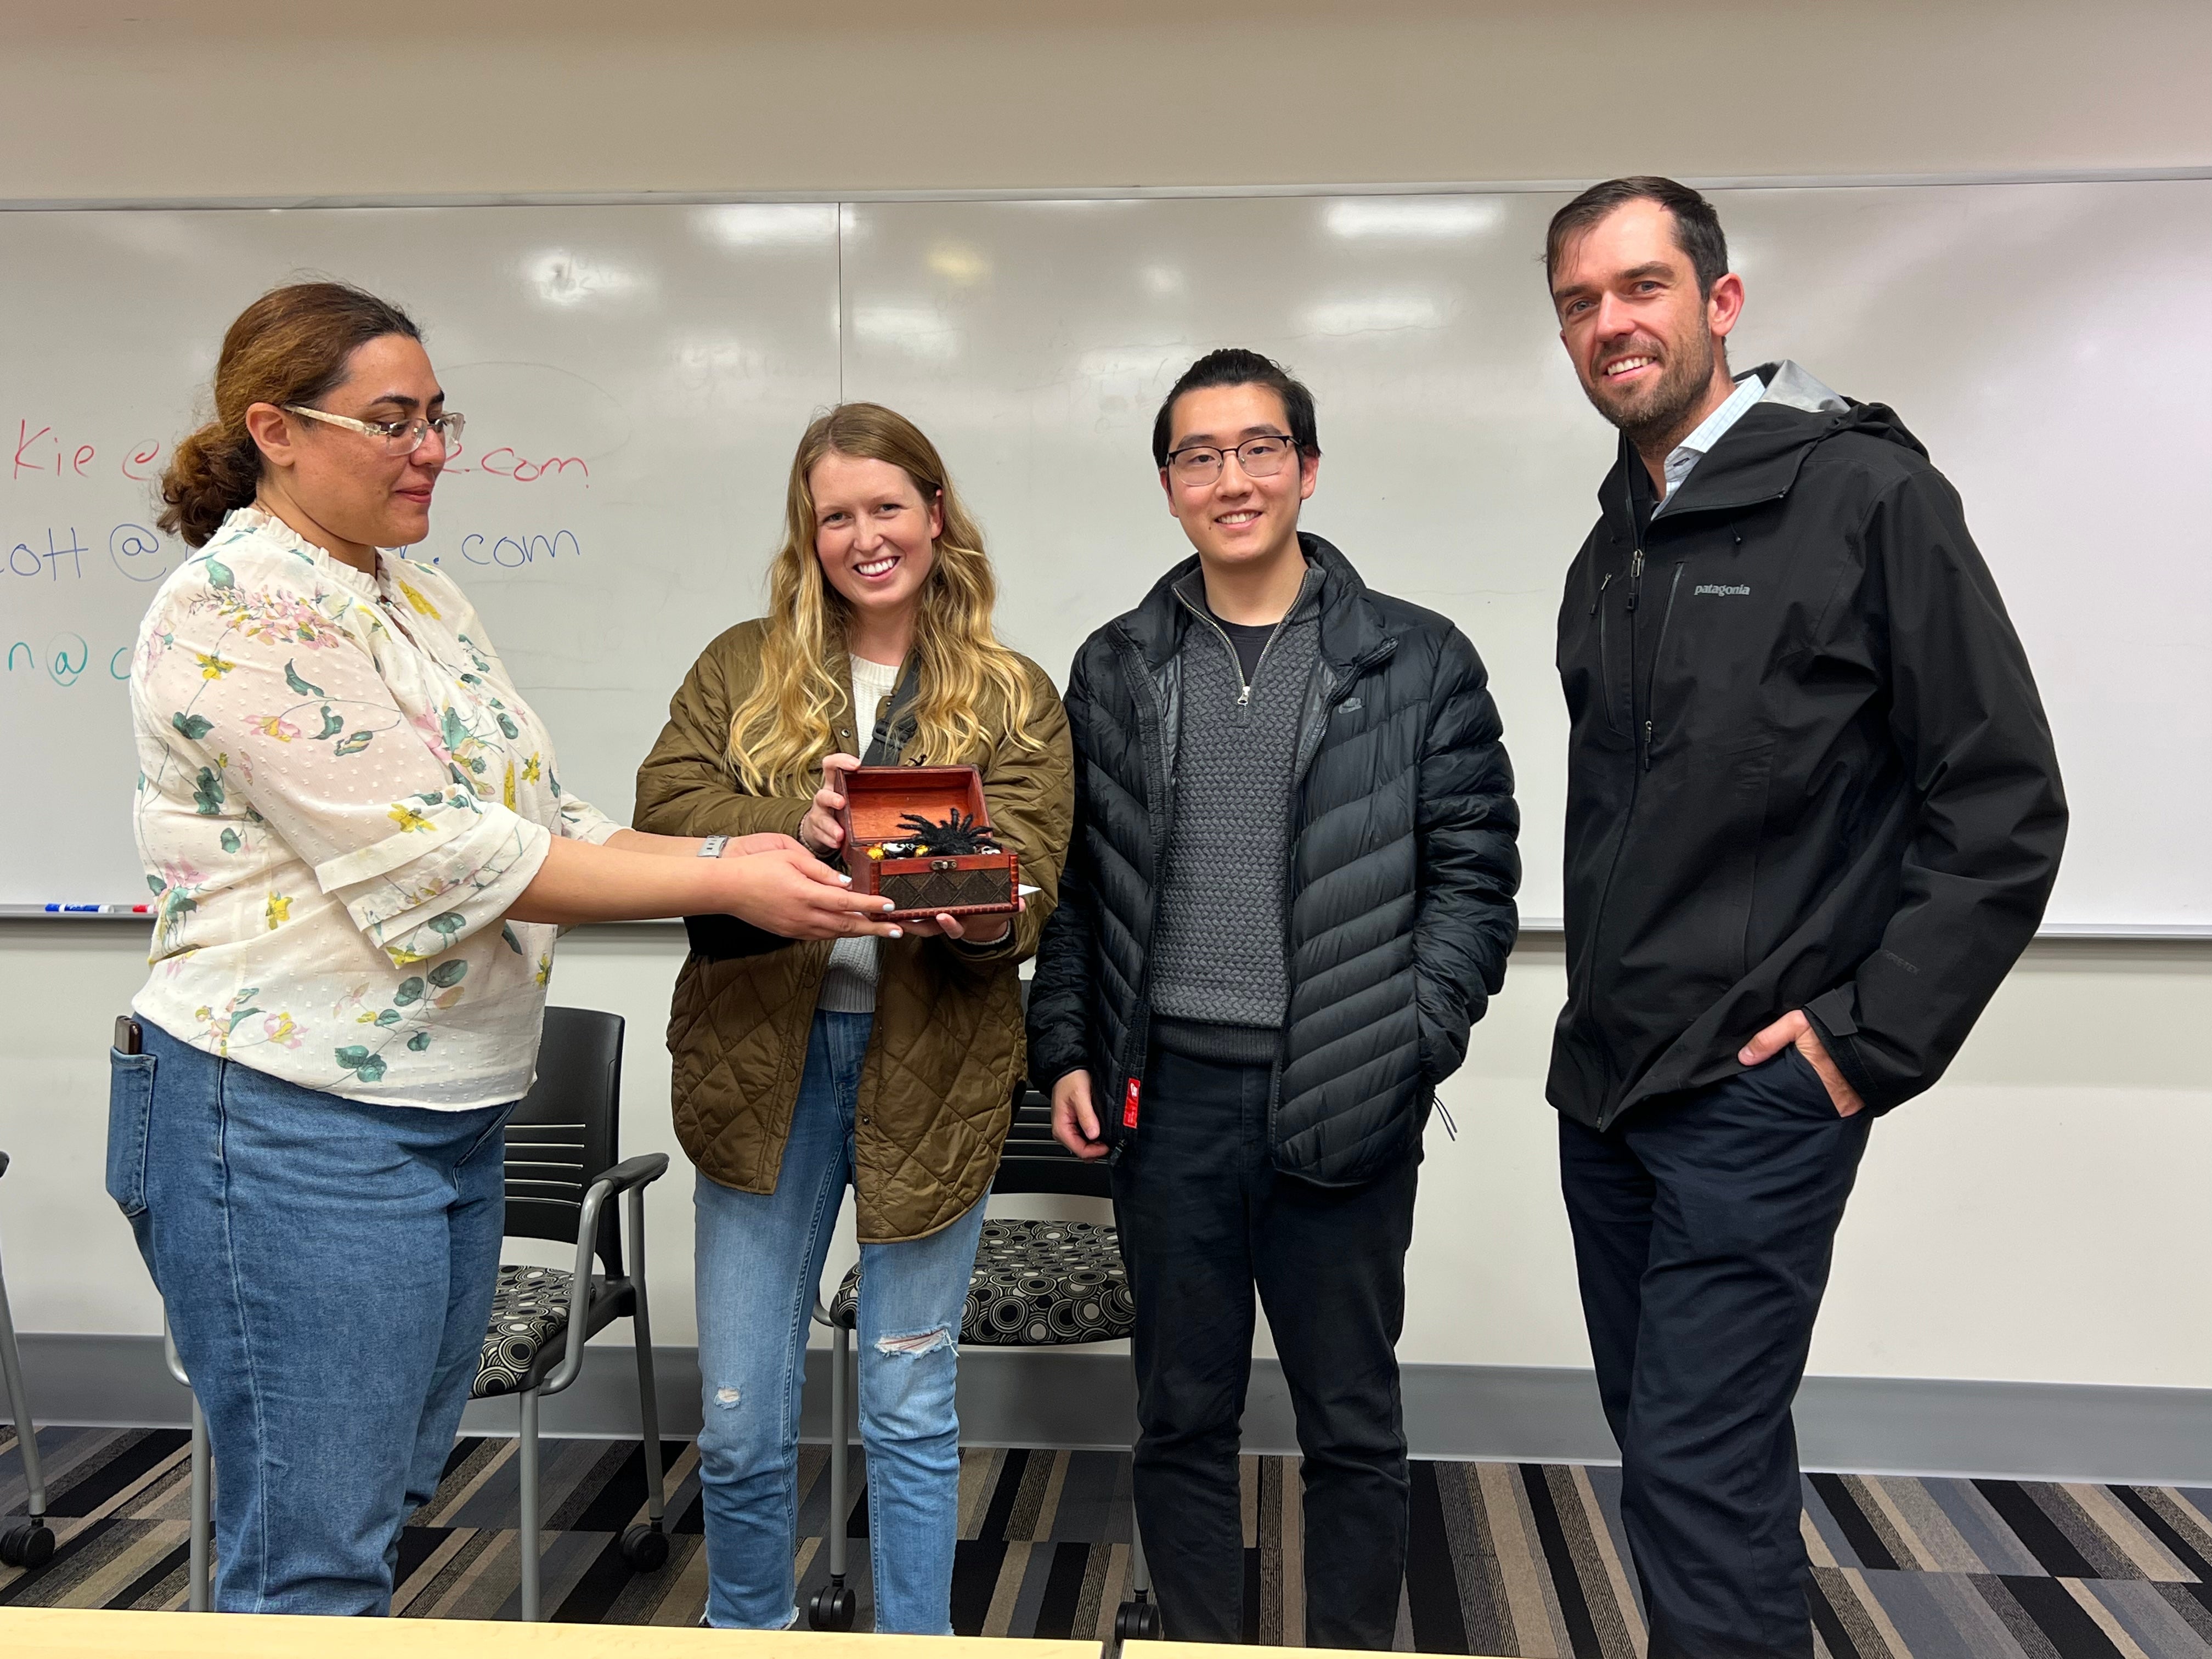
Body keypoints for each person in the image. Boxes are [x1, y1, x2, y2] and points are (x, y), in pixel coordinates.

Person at [113, 284, 899, 1615]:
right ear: (275, 431)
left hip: (447, 1108)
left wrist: (749, 855)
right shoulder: (238, 607)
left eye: (438, 418)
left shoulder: (415, 594)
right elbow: (448, 861)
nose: (431, 449)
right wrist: (737, 884)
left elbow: (539, 820)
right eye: (391, 420)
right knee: (313, 1548)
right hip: (294, 1121)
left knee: (389, 1497)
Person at [1542, 178, 2067, 1659]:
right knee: (1679, 1464)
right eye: (1580, 302)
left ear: (1721, 303)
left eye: (1640, 288)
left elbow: (2003, 801)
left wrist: (1860, 1044)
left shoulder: (1868, 497)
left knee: (1698, 1477)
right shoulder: (1612, 547)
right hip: (1610, 1093)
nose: (1609, 323)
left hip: (1754, 1096)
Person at [1025, 349, 1520, 1647]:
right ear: (1169, 485)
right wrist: (1068, 1044)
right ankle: (1201, 1644)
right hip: (1167, 1101)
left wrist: (1413, 1044)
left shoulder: (1416, 660)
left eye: (1258, 449)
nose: (1230, 478)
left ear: (1307, 466)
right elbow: (1082, 885)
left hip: (1347, 1093)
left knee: (1352, 1421)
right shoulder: (1120, 663)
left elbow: (1477, 876)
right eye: (1199, 455)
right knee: (1180, 1415)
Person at [633, 403, 1071, 1634]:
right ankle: (748, 1628)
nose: (866, 536)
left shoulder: (1015, 691)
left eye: (889, 507)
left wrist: (975, 905)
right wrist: (795, 825)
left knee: (910, 1400)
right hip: (759, 1061)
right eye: (837, 515)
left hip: (934, 1064)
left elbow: (1036, 873)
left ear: (937, 514)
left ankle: (917, 1640)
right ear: (807, 530)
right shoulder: (739, 665)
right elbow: (665, 817)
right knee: (739, 1407)